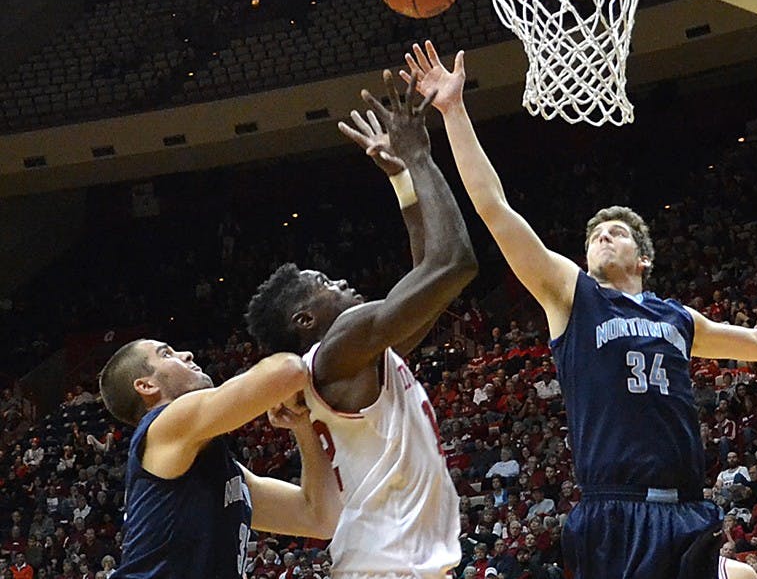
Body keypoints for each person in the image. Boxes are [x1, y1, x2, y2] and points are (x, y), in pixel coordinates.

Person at [402, 40, 757, 579]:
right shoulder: (572, 296)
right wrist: (454, 112)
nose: (601, 238)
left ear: (642, 258)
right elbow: (494, 209)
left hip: (686, 507)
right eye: (594, 235)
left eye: (615, 233)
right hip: (616, 507)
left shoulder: (676, 319)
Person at [244, 70, 478, 578]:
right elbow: (454, 264)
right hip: (387, 568)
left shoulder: (359, 359)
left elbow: (427, 280)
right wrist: (419, 156)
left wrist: (402, 181)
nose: (343, 281)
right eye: (325, 281)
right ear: (305, 319)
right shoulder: (338, 350)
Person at [98, 339, 341, 578]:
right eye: (166, 354)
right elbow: (288, 371)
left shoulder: (216, 473)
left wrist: (301, 426)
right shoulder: (164, 425)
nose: (187, 353)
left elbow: (319, 518)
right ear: (146, 386)